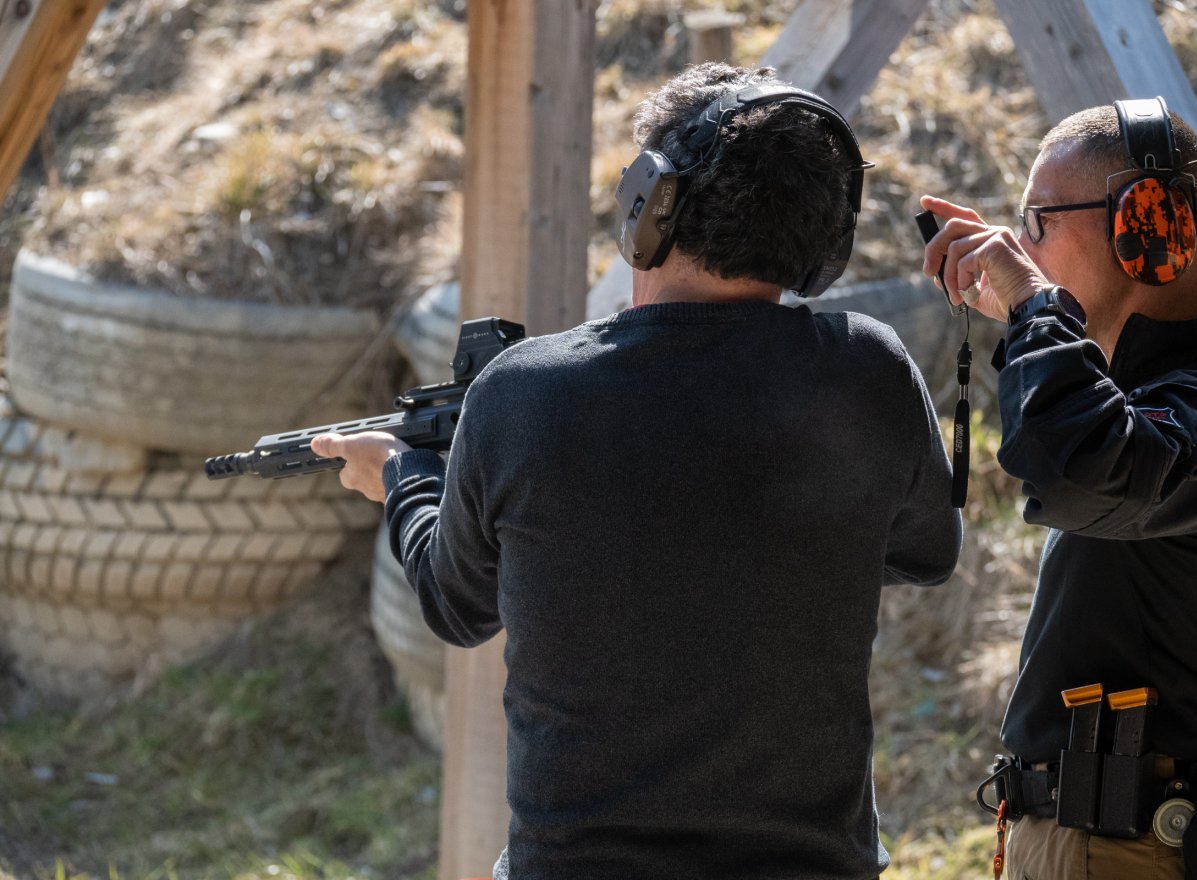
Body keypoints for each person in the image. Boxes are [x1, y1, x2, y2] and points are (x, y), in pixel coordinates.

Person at [312, 62, 962, 880]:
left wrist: (404, 479)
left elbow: (456, 603)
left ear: (649, 203)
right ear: (827, 235)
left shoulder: (524, 396)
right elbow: (926, 551)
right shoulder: (867, 368)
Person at [920, 98, 1197, 879]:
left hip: (1131, 847)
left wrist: (1036, 307)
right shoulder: (1192, 410)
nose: (1022, 248)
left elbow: (1075, 464)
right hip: (1112, 843)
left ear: (1148, 227)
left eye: (1037, 222)